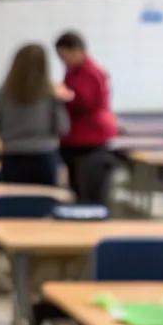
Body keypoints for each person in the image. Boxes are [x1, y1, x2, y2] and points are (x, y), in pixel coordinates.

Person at [0, 43, 68, 186]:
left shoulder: (5, 91)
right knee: (44, 203)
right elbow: (62, 127)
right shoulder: (50, 92)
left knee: (15, 203)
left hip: (13, 155)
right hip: (44, 155)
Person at [54, 30, 118, 203]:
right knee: (77, 188)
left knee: (88, 191)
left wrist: (63, 95)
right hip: (76, 139)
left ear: (76, 51)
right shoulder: (73, 71)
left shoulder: (90, 73)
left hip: (89, 139)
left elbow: (85, 102)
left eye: (63, 55)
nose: (62, 60)